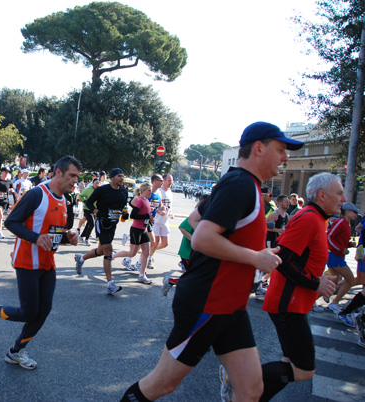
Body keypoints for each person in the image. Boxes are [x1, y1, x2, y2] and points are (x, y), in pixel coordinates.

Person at [120, 121, 303, 402]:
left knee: (251, 390)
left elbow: (195, 220)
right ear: (258, 149)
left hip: (231, 306)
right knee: (162, 384)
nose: (285, 157)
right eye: (280, 149)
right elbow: (202, 238)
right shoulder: (240, 184)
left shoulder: (242, 185)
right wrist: (255, 257)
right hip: (207, 303)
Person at [0, 155, 81, 370]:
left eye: (77, 177)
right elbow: (11, 222)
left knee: (44, 310)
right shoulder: (36, 194)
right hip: (27, 261)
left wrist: (68, 238)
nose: (75, 181)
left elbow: (54, 235)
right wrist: (35, 237)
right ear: (58, 172)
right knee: (28, 313)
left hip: (47, 263)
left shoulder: (65, 200)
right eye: (72, 176)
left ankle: (15, 352)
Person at [257, 173, 340, 401]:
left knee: (289, 363)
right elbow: (282, 259)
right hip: (288, 305)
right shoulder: (309, 218)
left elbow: (302, 259)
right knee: (303, 369)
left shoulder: (317, 218)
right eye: (339, 193)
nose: (343, 198)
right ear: (322, 195)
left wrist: (318, 278)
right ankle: (241, 376)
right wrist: (316, 283)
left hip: (295, 304)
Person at [74, 168, 128, 295]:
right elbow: (88, 202)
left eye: (123, 176)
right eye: (119, 176)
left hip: (113, 224)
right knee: (108, 249)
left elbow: (123, 206)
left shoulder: (124, 191)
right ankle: (110, 284)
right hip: (102, 223)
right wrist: (95, 211)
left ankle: (81, 258)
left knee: (101, 250)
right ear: (112, 177)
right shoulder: (102, 190)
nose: (122, 178)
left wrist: (124, 213)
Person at [114, 183, 154, 284]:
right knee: (132, 253)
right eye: (149, 190)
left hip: (144, 229)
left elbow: (145, 215)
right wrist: (146, 216)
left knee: (146, 253)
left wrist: (149, 217)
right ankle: (113, 255)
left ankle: (142, 275)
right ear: (144, 190)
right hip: (136, 229)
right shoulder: (140, 200)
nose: (151, 192)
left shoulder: (146, 200)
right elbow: (133, 215)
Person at [326, 202, 360, 315]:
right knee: (351, 280)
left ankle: (314, 301)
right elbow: (329, 237)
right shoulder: (340, 222)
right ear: (347, 212)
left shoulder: (346, 224)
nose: (356, 214)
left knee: (333, 282)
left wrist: (350, 245)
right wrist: (341, 249)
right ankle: (334, 303)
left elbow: (341, 240)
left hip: (337, 256)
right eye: (354, 212)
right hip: (335, 256)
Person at [77, 179, 100, 246]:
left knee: (88, 224)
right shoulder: (88, 189)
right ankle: (87, 239)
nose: (97, 185)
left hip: (95, 209)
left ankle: (81, 236)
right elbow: (80, 195)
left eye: (98, 183)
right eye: (96, 183)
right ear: (93, 183)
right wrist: (85, 201)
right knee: (92, 223)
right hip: (87, 208)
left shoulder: (99, 190)